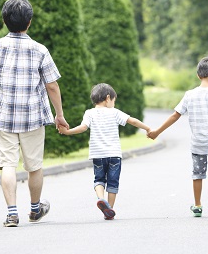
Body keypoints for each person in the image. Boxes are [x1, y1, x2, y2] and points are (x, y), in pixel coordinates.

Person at [0, 0, 69, 227]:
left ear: (4, 20)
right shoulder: (40, 50)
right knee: (34, 166)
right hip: (33, 117)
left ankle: (11, 213)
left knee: (8, 165)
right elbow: (52, 86)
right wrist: (59, 115)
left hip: (2, 116)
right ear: (29, 22)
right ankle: (35, 209)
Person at [148, 56, 208, 219]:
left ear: (198, 75)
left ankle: (197, 206)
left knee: (197, 174)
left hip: (198, 143)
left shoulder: (189, 95)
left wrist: (157, 131)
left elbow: (174, 116)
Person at [58, 83, 151, 220]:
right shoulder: (114, 112)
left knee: (99, 180)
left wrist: (68, 132)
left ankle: (101, 199)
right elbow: (133, 121)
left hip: (98, 155)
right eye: (114, 100)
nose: (114, 103)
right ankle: (109, 209)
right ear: (108, 98)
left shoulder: (89, 113)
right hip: (114, 155)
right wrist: (148, 128)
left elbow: (83, 127)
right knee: (113, 183)